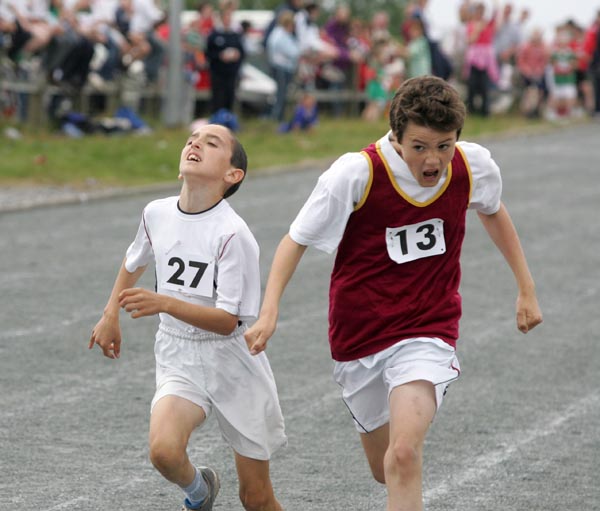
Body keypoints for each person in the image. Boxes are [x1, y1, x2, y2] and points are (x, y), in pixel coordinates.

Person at [244, 76, 542, 511]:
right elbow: (295, 240)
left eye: (444, 145)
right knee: (384, 468)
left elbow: (494, 211)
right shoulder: (357, 173)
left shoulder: (471, 166)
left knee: (403, 454)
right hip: (359, 334)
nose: (433, 160)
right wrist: (269, 312)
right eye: (419, 146)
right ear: (396, 134)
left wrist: (526, 289)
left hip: (428, 328)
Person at [89, 124, 287, 511]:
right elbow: (133, 261)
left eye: (211, 143)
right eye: (192, 139)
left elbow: (228, 321)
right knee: (163, 451)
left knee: (256, 498)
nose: (195, 143)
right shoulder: (156, 213)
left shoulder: (234, 234)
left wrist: (164, 302)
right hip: (178, 352)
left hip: (231, 359)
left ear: (233, 175)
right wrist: (110, 312)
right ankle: (200, 492)